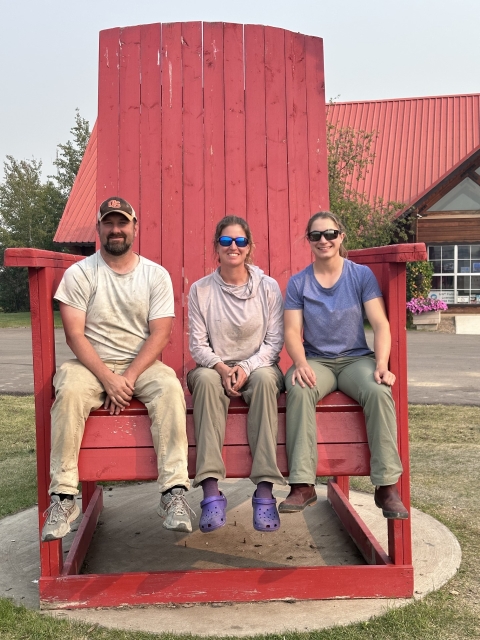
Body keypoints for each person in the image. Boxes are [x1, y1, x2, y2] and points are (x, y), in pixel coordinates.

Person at [42, 196, 192, 541]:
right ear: (98, 228)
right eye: (108, 223)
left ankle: (174, 493)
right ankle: (64, 496)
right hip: (90, 363)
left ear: (135, 228)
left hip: (140, 364)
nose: (115, 230)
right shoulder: (80, 273)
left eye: (122, 222)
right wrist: (108, 378)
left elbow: (161, 333)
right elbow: (74, 334)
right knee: (68, 390)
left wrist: (127, 378)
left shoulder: (155, 274)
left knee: (169, 388)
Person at [280, 211, 408, 519]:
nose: (323, 240)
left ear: (341, 237)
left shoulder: (360, 275)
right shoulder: (299, 282)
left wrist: (381, 363)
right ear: (308, 241)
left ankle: (386, 486)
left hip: (355, 359)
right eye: (315, 236)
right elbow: (291, 332)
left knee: (378, 391)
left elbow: (380, 324)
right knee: (297, 389)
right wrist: (299, 363)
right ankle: (302, 484)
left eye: (329, 234)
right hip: (316, 360)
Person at [187, 216, 285, 533]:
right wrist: (222, 367)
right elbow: (198, 345)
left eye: (240, 241)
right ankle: (212, 492)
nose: (233, 246)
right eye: (226, 241)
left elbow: (274, 343)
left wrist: (245, 367)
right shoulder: (200, 290)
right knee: (202, 379)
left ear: (249, 247)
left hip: (258, 366)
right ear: (216, 246)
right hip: (216, 367)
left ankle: (265, 490)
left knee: (268, 380)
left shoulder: (268, 288)